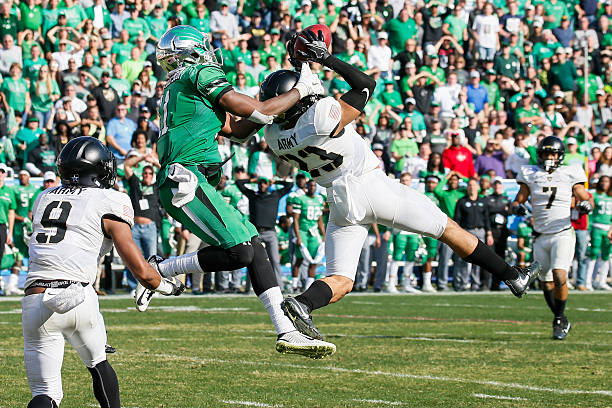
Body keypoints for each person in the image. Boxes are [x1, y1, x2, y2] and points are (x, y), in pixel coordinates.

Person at [231, 28, 539, 344]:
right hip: (370, 186)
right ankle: (512, 276)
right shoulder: (320, 116)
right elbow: (366, 85)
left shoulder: (273, 138)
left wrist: (297, 71)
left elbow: (277, 108)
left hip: (339, 201)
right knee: (448, 229)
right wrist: (327, 59)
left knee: (341, 278)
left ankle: (303, 303)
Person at [135, 25, 335, 359]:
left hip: (188, 179)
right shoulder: (199, 73)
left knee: (253, 248)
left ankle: (287, 332)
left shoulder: (181, 87)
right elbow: (249, 110)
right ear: (192, 51)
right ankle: (161, 268)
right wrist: (298, 92)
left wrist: (275, 109)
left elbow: (239, 130)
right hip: (185, 179)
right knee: (242, 251)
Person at [22, 137, 184, 408]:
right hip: (77, 295)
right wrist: (167, 286)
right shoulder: (109, 199)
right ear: (99, 169)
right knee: (98, 363)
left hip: (36, 299)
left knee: (45, 394)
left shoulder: (43, 197)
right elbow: (141, 270)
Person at [511, 136, 593, 340]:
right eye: (546, 153)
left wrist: (586, 205)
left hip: (562, 232)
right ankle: (560, 317)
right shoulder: (530, 173)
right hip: (540, 235)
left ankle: (559, 318)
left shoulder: (570, 172)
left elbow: (584, 195)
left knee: (559, 275)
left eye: (553, 153)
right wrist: (517, 207)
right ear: (540, 155)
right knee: (545, 283)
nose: (549, 157)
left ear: (560, 155)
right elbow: (518, 199)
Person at [235, 176, 293, 289]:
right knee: (251, 259)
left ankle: (280, 287)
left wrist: (275, 181)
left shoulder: (275, 195)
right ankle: (248, 288)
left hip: (270, 232)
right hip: (255, 232)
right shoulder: (253, 195)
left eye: (264, 183)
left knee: (275, 260)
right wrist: (253, 180)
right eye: (260, 183)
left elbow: (290, 185)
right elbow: (239, 182)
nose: (262, 185)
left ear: (268, 185)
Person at [291, 179, 325, 291]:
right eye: (310, 186)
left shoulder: (319, 200)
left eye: (314, 186)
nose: (312, 188)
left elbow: (320, 220)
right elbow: (295, 219)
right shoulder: (300, 199)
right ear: (306, 186)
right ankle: (294, 284)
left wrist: (323, 234)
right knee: (299, 259)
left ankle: (308, 286)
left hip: (314, 232)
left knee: (314, 259)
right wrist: (298, 236)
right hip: (303, 231)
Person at [585, 176, 612, 291]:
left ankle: (602, 281)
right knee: (593, 254)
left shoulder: (610, 196)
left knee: (606, 256)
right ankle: (587, 281)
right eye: (603, 181)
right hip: (596, 226)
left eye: (607, 182)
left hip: (608, 228)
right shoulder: (594, 194)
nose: (605, 184)